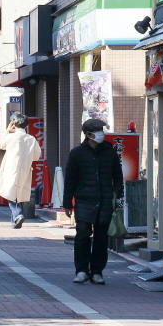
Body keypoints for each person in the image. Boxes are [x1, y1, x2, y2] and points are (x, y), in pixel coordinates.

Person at [63, 118, 124, 285]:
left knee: (101, 236)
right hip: (84, 198)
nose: (101, 133)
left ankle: (97, 271)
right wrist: (67, 202)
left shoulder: (110, 151)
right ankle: (81, 270)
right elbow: (70, 179)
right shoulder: (77, 153)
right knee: (82, 233)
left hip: (104, 200)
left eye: (102, 130)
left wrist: (118, 196)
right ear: (88, 134)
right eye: (98, 130)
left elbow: (118, 176)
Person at [0, 113, 41, 230]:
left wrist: (7, 131)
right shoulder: (31, 139)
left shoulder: (11, 137)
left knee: (10, 194)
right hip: (25, 169)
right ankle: (14, 220)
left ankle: (18, 214)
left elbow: (0, 144)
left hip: (10, 168)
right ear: (26, 126)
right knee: (19, 194)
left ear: (13, 124)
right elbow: (37, 156)